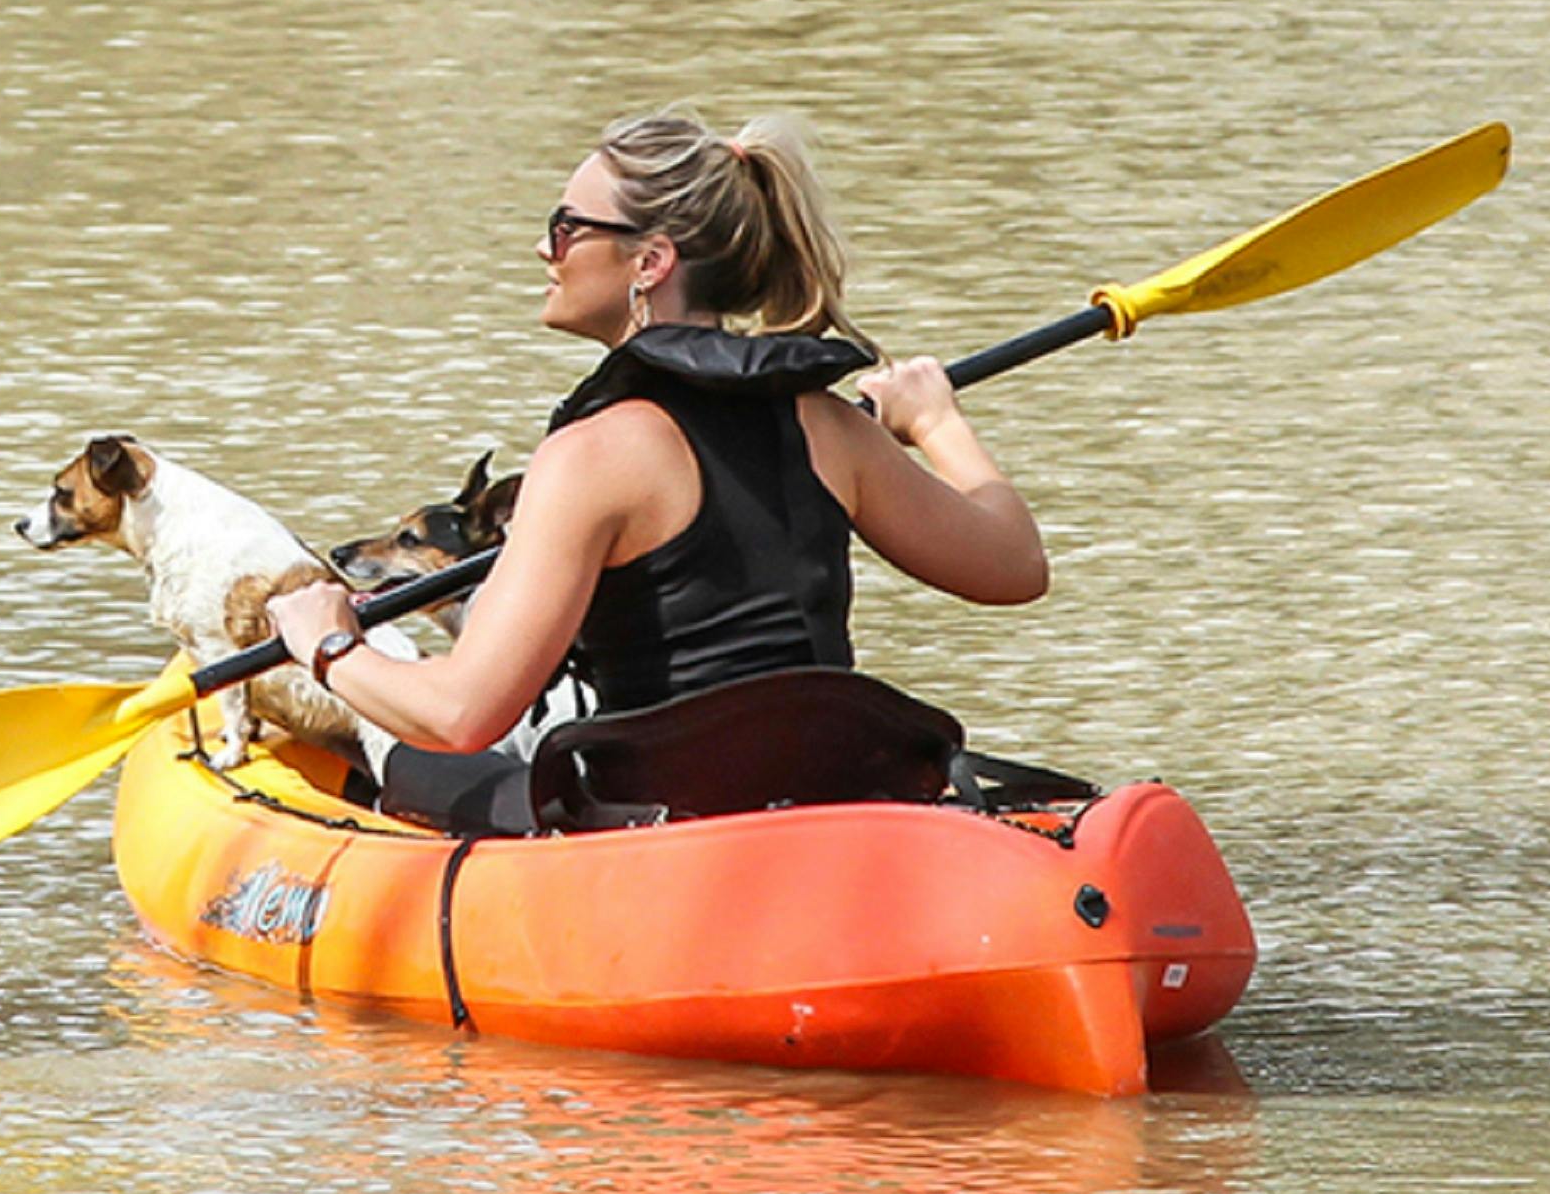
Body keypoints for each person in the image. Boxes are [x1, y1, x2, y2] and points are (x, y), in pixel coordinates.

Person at [261, 112, 1045, 805]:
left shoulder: (587, 457)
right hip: (834, 796)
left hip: (664, 830)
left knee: (406, 759)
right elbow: (1013, 563)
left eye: (566, 226)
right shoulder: (830, 428)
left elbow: (462, 714)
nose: (545, 247)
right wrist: (938, 421)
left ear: (650, 263)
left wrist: (328, 645)